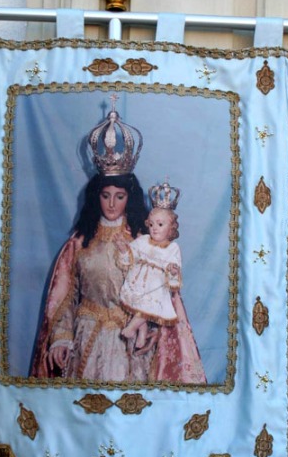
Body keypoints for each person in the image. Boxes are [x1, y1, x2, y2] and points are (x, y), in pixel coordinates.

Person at [30, 98, 207, 386]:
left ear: (129, 198)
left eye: (120, 196)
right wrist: (61, 338)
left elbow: (161, 293)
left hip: (131, 343)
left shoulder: (145, 244)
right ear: (96, 198)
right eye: (106, 195)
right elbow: (63, 298)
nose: (112, 204)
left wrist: (153, 328)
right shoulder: (79, 245)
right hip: (86, 339)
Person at [117, 206, 182, 353]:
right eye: (151, 224)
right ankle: (142, 333)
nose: (154, 229)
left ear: (171, 228)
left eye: (160, 224)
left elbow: (175, 268)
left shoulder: (173, 248)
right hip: (137, 280)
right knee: (138, 307)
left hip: (156, 285)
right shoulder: (143, 240)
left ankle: (132, 328)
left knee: (147, 306)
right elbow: (130, 256)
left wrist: (173, 271)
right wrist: (123, 250)